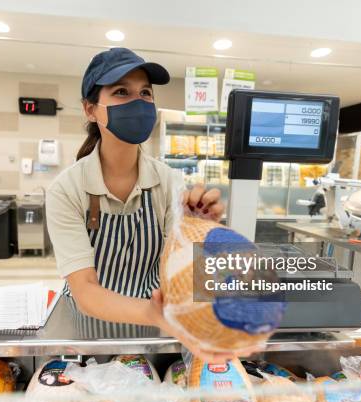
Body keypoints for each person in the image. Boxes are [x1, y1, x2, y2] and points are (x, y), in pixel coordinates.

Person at [46, 48, 254, 362]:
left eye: (145, 92)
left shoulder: (169, 182)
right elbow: (85, 289)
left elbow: (179, 271)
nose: (138, 101)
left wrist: (199, 235)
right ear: (90, 109)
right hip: (91, 335)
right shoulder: (67, 189)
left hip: (153, 338)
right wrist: (155, 313)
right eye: (121, 92)